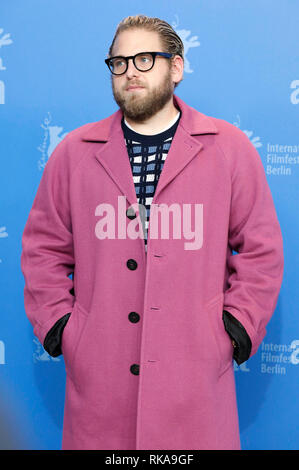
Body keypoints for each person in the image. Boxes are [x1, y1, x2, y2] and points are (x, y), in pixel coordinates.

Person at [21, 15, 284, 450]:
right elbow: (42, 248)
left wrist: (233, 329)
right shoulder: (73, 153)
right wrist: (65, 328)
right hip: (100, 382)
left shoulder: (230, 149)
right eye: (119, 62)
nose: (131, 72)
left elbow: (262, 250)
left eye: (145, 59)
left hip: (194, 383)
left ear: (175, 68)